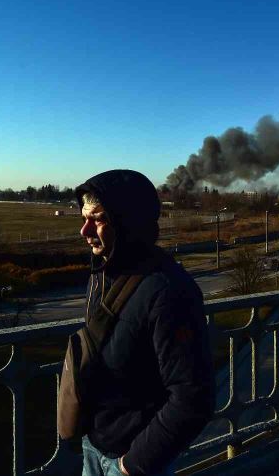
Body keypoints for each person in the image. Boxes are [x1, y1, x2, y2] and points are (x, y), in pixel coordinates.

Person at [75, 169, 214, 476]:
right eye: (83, 217)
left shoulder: (169, 290)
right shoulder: (102, 275)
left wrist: (133, 464)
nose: (84, 230)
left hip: (129, 460)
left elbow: (193, 397)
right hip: (93, 446)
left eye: (97, 219)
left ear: (128, 224)